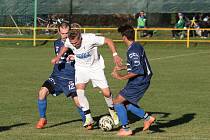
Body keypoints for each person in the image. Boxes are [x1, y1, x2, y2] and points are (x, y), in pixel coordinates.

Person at [51, 23, 122, 128]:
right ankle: (88, 116)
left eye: (76, 43)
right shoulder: (69, 41)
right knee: (79, 91)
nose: (74, 45)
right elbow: (65, 47)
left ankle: (112, 110)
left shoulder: (90, 38)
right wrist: (58, 57)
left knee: (106, 93)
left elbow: (108, 41)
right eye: (72, 43)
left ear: (80, 38)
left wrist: (115, 55)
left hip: (95, 67)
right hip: (81, 68)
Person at [36, 22, 86, 129]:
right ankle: (42, 118)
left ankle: (87, 121)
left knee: (78, 101)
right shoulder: (56, 43)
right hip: (56, 76)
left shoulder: (76, 43)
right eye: (63, 33)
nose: (65, 35)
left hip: (70, 78)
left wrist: (75, 57)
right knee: (42, 92)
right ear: (59, 32)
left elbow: (84, 57)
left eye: (67, 33)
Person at [111, 25, 155, 136]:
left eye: (122, 36)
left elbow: (138, 70)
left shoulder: (132, 51)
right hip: (142, 80)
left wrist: (120, 77)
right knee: (125, 103)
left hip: (139, 81)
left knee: (117, 102)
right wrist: (124, 67)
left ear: (124, 37)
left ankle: (126, 129)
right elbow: (138, 65)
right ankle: (148, 118)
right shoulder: (137, 45)